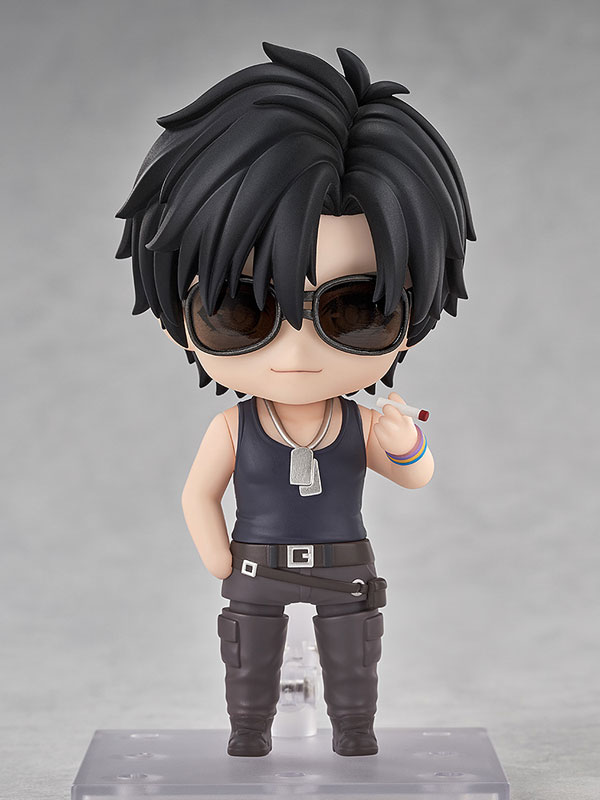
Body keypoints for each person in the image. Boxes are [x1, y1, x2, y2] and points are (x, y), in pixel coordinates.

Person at [116, 42, 475, 758]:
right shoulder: (234, 426)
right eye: (241, 309)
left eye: (356, 310)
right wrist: (218, 556)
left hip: (346, 567)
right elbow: (198, 494)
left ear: (413, 315)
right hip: (255, 565)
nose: (298, 349)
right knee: (248, 666)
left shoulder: (359, 422)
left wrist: (406, 443)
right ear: (175, 318)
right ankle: (248, 735)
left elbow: (416, 475)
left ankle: (355, 734)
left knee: (355, 664)